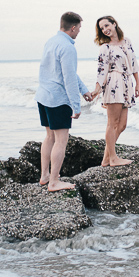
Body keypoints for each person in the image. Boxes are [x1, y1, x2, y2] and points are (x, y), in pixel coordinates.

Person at [35, 11, 94, 191]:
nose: (79, 33)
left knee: (49, 137)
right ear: (73, 27)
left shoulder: (51, 41)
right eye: (79, 29)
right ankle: (54, 182)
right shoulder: (68, 47)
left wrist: (83, 89)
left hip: (43, 96)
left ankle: (45, 175)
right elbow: (68, 78)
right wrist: (76, 106)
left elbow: (65, 72)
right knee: (61, 141)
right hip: (58, 100)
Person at [91, 15, 139, 167]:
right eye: (102, 28)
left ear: (114, 24)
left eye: (107, 25)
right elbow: (102, 70)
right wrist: (97, 89)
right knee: (112, 123)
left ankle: (106, 158)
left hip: (127, 84)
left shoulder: (127, 41)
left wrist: (137, 84)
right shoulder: (105, 48)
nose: (105, 29)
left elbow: (134, 63)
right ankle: (113, 158)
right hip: (113, 83)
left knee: (122, 124)